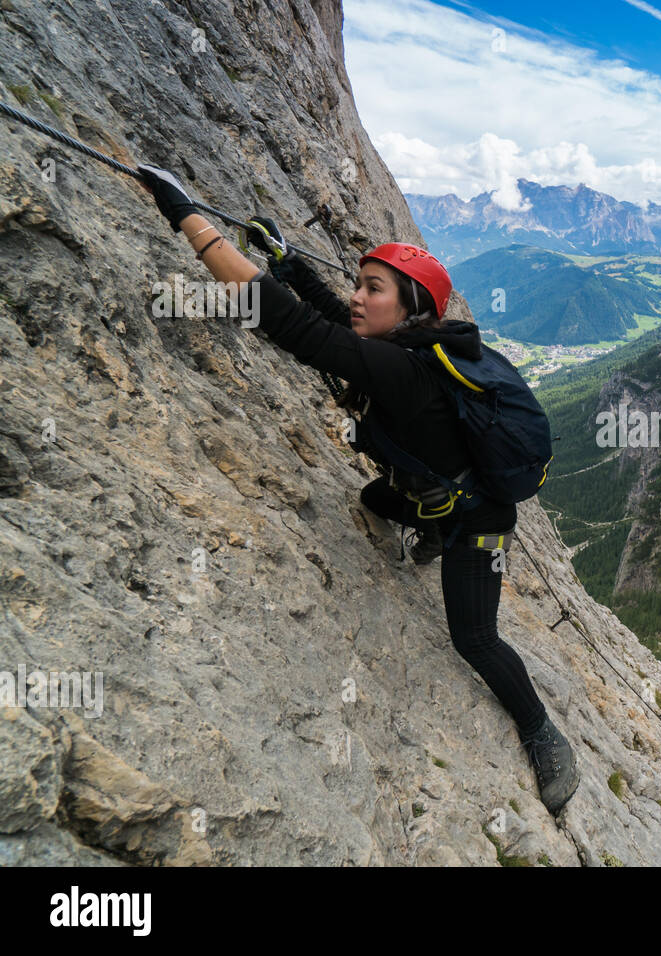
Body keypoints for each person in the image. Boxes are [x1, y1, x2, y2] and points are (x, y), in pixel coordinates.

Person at [136, 164, 580, 814]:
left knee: (473, 638)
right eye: (360, 284)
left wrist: (189, 219)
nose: (357, 296)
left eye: (373, 289)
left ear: (410, 308)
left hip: (478, 519)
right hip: (433, 493)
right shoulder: (402, 348)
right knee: (375, 502)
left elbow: (298, 331)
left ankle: (542, 730)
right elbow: (332, 323)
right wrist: (285, 259)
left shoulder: (405, 371)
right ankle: (425, 527)